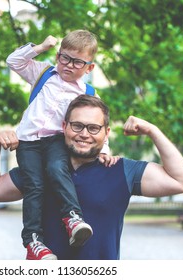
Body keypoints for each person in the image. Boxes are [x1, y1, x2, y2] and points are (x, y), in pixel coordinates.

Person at [0, 95, 183, 260]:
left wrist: (152, 130)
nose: (84, 134)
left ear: (106, 133)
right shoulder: (39, 169)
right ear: (64, 127)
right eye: (77, 126)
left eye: (93, 128)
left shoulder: (121, 170)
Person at [6, 30, 114, 260]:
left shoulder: (87, 93)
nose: (68, 65)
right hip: (28, 142)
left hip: (56, 140)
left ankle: (73, 218)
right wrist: (41, 47)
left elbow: (98, 122)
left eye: (78, 62)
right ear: (58, 56)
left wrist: (104, 149)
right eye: (64, 57)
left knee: (57, 169)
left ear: (89, 68)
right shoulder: (43, 73)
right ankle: (33, 242)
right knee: (34, 186)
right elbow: (13, 61)